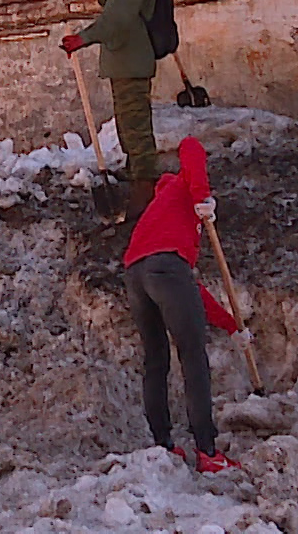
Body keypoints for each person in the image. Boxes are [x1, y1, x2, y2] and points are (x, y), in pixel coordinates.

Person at [123, 136, 244, 473]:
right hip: (165, 270)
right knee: (193, 357)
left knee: (156, 360)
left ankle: (163, 444)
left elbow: (192, 289)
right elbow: (190, 145)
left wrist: (232, 325)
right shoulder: (182, 189)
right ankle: (207, 451)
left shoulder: (159, 213)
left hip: (135, 273)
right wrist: (202, 196)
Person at [63, 0, 161, 219]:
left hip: (131, 62)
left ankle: (146, 196)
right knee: (128, 129)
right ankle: (137, 183)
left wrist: (84, 37)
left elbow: (118, 16)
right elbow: (112, 3)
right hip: (124, 61)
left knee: (136, 129)